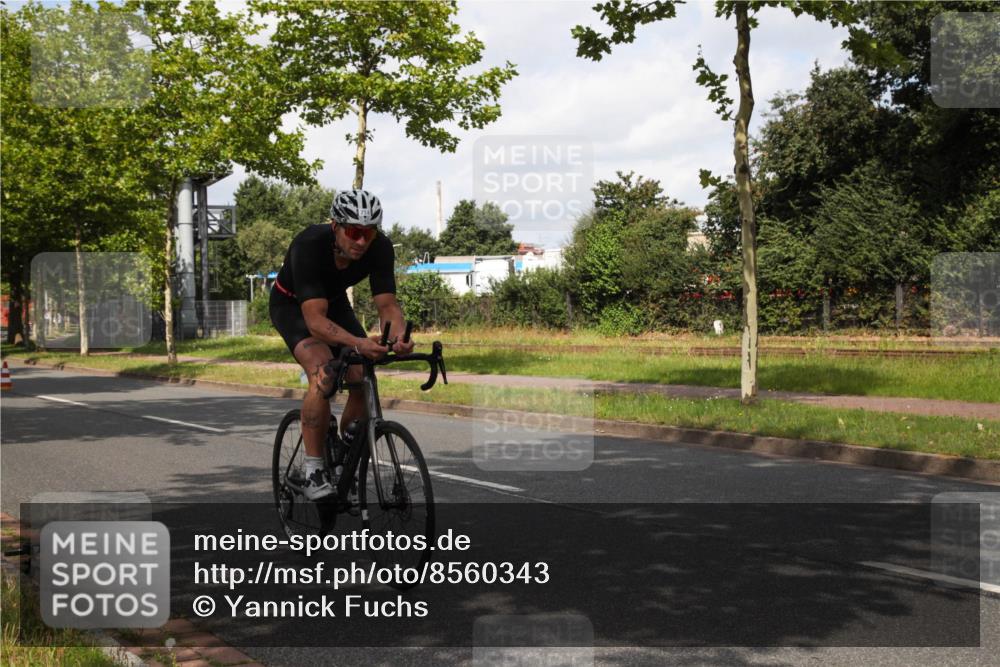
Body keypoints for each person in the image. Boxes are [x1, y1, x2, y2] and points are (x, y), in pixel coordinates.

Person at [269, 190, 414, 500]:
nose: (362, 241)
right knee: (323, 371)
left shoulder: (380, 248)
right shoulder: (309, 244)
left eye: (369, 233)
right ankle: (313, 469)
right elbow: (315, 322)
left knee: (362, 373)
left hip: (333, 304)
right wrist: (360, 342)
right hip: (292, 306)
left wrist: (399, 338)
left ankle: (346, 450)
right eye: (354, 232)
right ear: (335, 226)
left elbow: (387, 305)